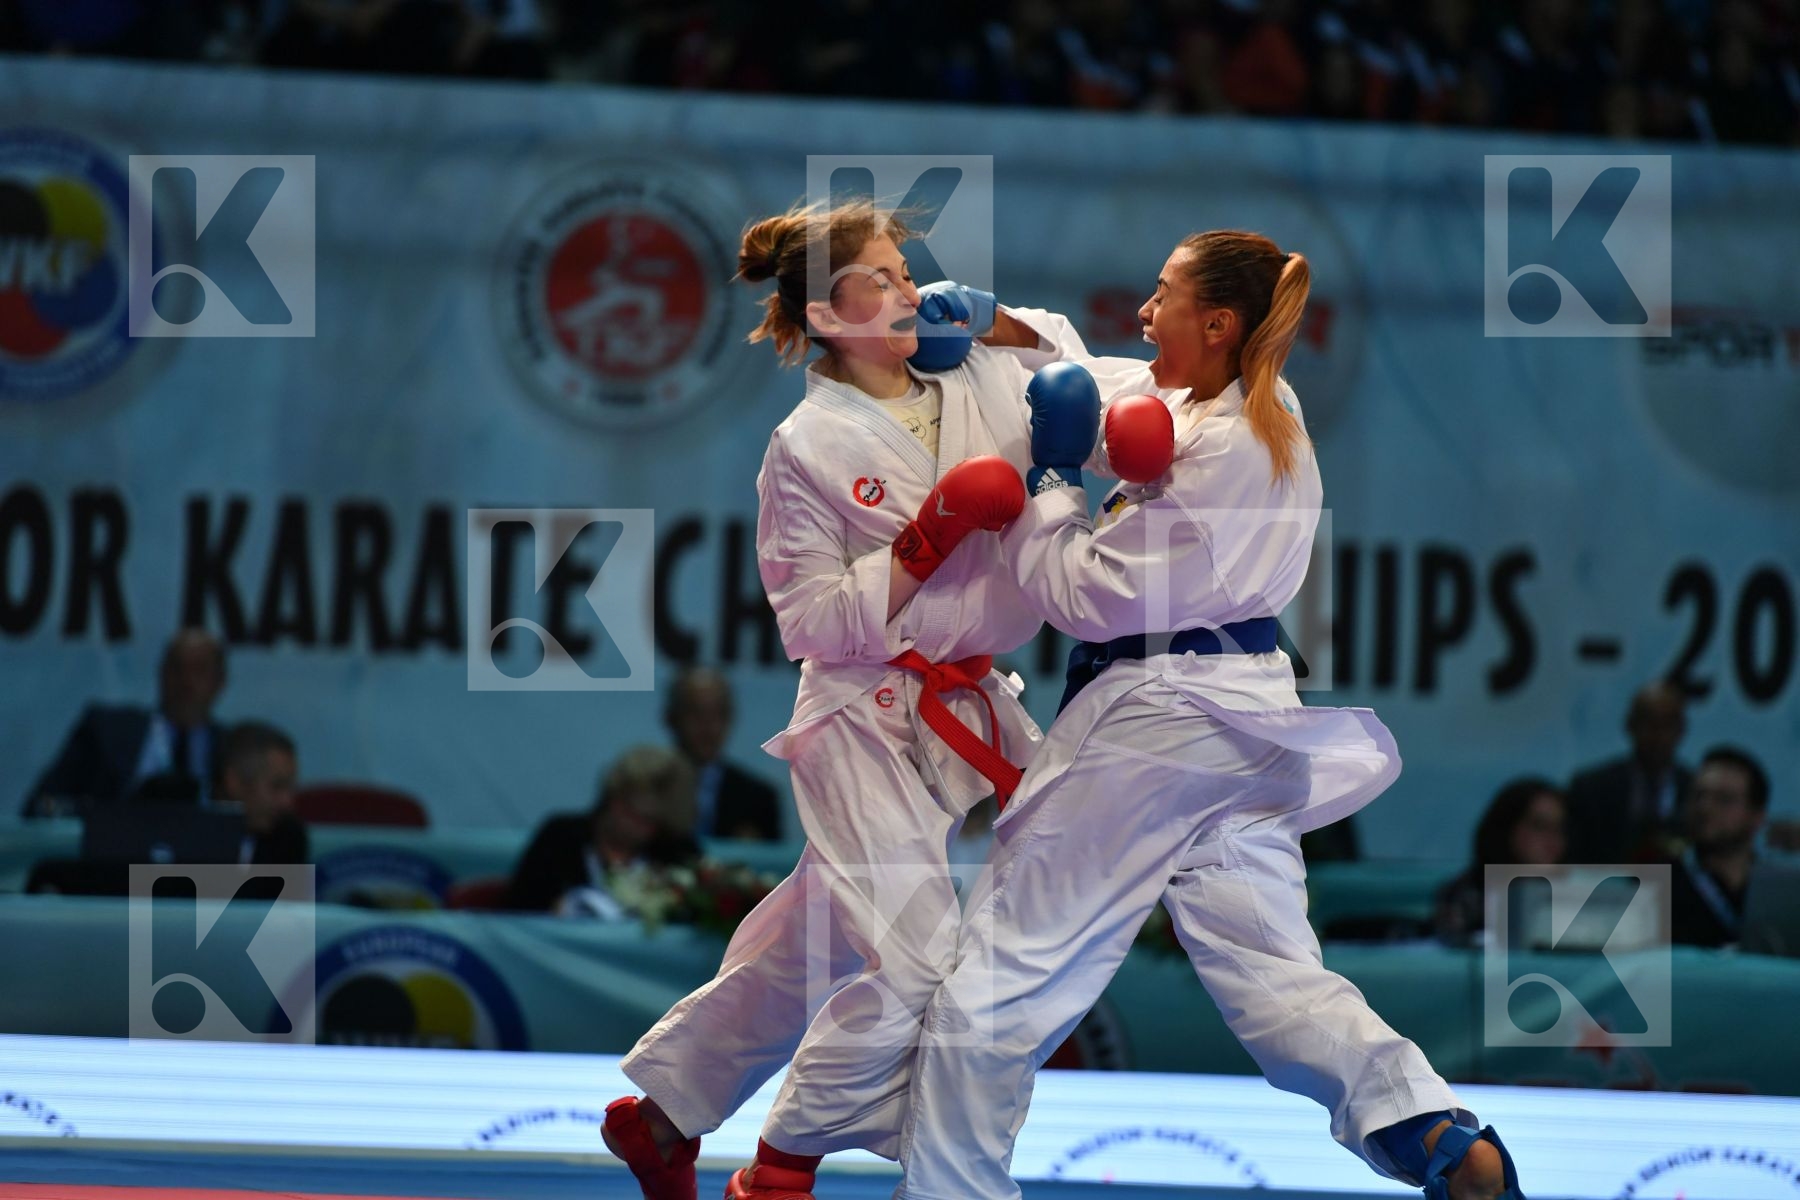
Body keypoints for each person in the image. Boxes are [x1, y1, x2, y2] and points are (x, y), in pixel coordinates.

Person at [896, 232, 1522, 1200]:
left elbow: (1083, 594)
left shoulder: (1226, 449)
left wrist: (1053, 487)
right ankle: (1435, 1134)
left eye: (1163, 296)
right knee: (1276, 981)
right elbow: (1094, 390)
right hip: (1241, 733)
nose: (1144, 314)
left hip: (1153, 728)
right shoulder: (1251, 413)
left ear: (1218, 323)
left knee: (997, 985)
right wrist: (994, 323)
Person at [601, 198, 1081, 1200]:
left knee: (815, 945)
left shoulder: (975, 371)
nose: (908, 290)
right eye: (881, 278)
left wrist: (996, 320)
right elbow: (812, 622)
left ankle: (662, 1119)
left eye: (909, 271)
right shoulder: (805, 445)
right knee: (918, 959)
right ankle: (781, 1168)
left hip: (968, 701)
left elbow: (1076, 372)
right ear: (824, 314)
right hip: (861, 717)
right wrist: (926, 539)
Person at [23, 629, 228, 817]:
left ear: (219, 681)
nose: (186, 681)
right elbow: (42, 804)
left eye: (199, 670)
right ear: (161, 673)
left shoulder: (231, 748)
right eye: (177, 668)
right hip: (115, 850)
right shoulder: (108, 732)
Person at [503, 744, 701, 915]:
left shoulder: (676, 850)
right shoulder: (559, 838)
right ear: (613, 798)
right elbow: (519, 910)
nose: (644, 830)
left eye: (652, 822)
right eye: (634, 814)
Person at [1565, 681, 1691, 863]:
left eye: (1667, 724)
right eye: (1648, 722)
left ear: (1681, 729)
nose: (1658, 734)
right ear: (1630, 725)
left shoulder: (1696, 791)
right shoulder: (1591, 790)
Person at [1433, 778, 1568, 945]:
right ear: (1508, 828)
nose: (1553, 839)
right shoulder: (1466, 897)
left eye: (1559, 828)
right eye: (1540, 826)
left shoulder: (1574, 893)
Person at [664, 666, 786, 841]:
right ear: (671, 717)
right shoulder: (646, 787)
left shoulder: (759, 798)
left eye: (718, 713)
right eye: (696, 712)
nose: (707, 726)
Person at [1667, 745, 1769, 948]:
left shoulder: (1778, 891)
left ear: (1756, 817)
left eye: (1724, 799)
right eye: (1699, 795)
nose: (1705, 808)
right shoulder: (1659, 886)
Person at [214, 721, 309, 866]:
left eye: (290, 788)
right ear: (235, 782)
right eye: (276, 786)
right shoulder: (190, 839)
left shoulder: (288, 838)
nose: (287, 801)